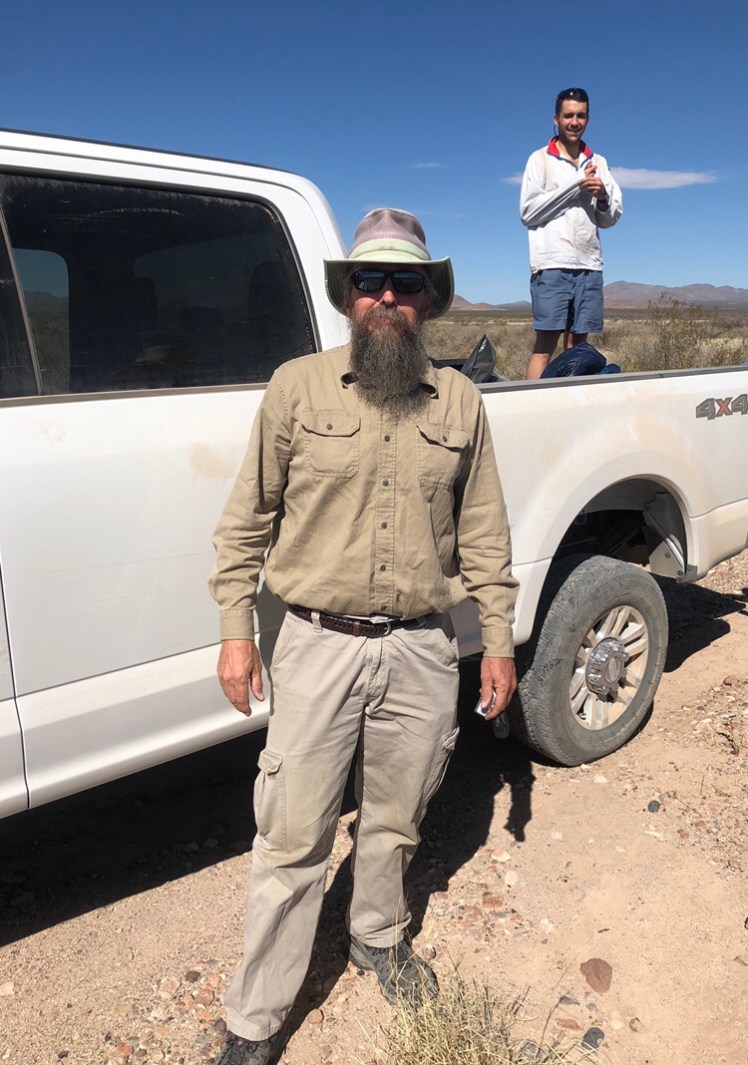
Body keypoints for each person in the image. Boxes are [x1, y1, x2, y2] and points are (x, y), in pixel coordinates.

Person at [208, 207, 518, 1065]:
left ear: (428, 299)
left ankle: (376, 934)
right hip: (316, 643)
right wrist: (236, 630)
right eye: (369, 280)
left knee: (397, 814)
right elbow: (245, 522)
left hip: (423, 646)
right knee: (293, 834)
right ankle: (257, 1018)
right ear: (348, 295)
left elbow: (485, 534)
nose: (386, 295)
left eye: (404, 282)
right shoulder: (296, 387)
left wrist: (497, 640)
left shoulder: (460, 401)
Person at [520, 87, 622, 379]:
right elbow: (528, 212)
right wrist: (576, 183)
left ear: (587, 119)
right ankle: (532, 403)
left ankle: (569, 403)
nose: (574, 122)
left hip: (589, 264)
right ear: (556, 119)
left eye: (581, 116)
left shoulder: (598, 162)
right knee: (544, 347)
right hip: (552, 263)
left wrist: (602, 197)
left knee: (579, 348)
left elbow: (610, 218)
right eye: (568, 116)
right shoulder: (540, 159)